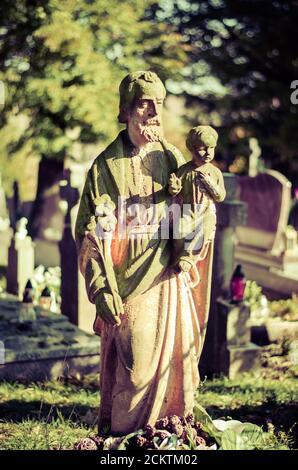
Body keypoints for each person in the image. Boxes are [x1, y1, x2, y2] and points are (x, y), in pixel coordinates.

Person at [75, 71, 215, 435]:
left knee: (178, 367)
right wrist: (102, 288)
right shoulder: (105, 166)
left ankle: (165, 433)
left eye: (158, 104)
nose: (153, 112)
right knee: (135, 370)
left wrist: (194, 223)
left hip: (167, 275)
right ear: (125, 110)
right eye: (143, 104)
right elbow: (89, 234)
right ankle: (126, 439)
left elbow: (190, 213)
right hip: (127, 282)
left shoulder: (172, 158)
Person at [168, 125, 226, 279]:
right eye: (202, 148)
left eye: (211, 148)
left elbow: (220, 196)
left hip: (206, 212)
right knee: (179, 229)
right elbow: (174, 191)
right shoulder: (185, 170)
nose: (208, 153)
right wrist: (174, 188)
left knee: (205, 228)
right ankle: (176, 259)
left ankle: (188, 258)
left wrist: (210, 184)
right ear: (192, 149)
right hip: (188, 210)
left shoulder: (215, 172)